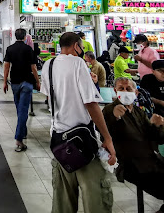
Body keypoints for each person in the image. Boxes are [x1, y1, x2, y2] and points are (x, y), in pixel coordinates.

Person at [40, 32, 116, 213]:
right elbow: (91, 103)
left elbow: (51, 95)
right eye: (81, 47)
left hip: (59, 139)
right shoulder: (78, 63)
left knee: (63, 201)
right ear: (76, 46)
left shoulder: (48, 65)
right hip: (82, 141)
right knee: (95, 198)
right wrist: (107, 138)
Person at [103, 78, 164, 213]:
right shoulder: (109, 110)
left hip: (152, 162)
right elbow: (106, 135)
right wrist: (116, 117)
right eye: (121, 88)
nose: (125, 92)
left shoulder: (139, 111)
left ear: (136, 93)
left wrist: (159, 125)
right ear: (115, 91)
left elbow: (157, 138)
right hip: (133, 166)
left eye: (128, 89)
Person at [3, 28, 40, 153]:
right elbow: (33, 67)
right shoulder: (29, 49)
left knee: (20, 109)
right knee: (23, 110)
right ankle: (19, 138)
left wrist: (4, 82)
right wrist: (38, 81)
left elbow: (6, 66)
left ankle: (21, 134)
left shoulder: (10, 49)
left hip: (14, 82)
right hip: (27, 82)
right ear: (25, 37)